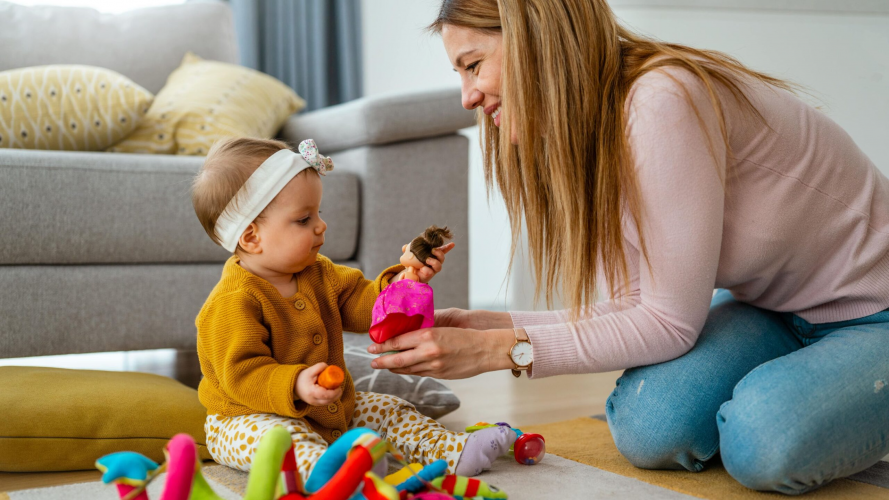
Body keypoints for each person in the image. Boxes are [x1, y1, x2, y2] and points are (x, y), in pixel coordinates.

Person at [368, 0, 889, 494]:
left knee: (763, 441)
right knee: (649, 426)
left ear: (533, 38)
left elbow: (668, 324)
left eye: (473, 65)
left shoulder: (661, 100)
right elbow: (640, 305)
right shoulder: (591, 131)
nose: (467, 97)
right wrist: (490, 326)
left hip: (875, 312)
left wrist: (495, 353)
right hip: (775, 310)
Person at [190, 137, 515, 480]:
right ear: (251, 238)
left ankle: (454, 451)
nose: (321, 225)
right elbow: (242, 375)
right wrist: (297, 383)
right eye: (303, 219)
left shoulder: (321, 272)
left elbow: (366, 305)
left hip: (328, 410)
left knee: (392, 410)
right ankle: (332, 476)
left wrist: (406, 280)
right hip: (245, 419)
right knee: (281, 440)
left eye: (319, 213)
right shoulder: (232, 301)